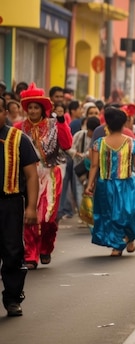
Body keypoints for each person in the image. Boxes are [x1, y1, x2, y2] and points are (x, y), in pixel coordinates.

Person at [14, 83, 72, 270]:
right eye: (29, 107)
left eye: (35, 107)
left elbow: (67, 143)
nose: (32, 111)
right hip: (27, 175)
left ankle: (46, 246)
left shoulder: (55, 125)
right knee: (30, 216)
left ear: (42, 109)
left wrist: (62, 122)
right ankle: (30, 254)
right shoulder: (18, 127)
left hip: (50, 176)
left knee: (47, 218)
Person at [85, 108, 135, 256]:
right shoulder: (133, 143)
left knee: (110, 214)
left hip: (106, 184)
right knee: (127, 213)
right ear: (124, 123)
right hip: (127, 183)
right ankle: (125, 240)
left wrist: (90, 184)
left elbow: (94, 166)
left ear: (107, 125)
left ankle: (119, 244)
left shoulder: (99, 143)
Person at [0, 96, 39, 316]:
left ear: (5, 112)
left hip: (10, 203)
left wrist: (31, 207)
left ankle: (13, 298)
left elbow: (31, 175)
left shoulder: (18, 138)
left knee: (12, 252)